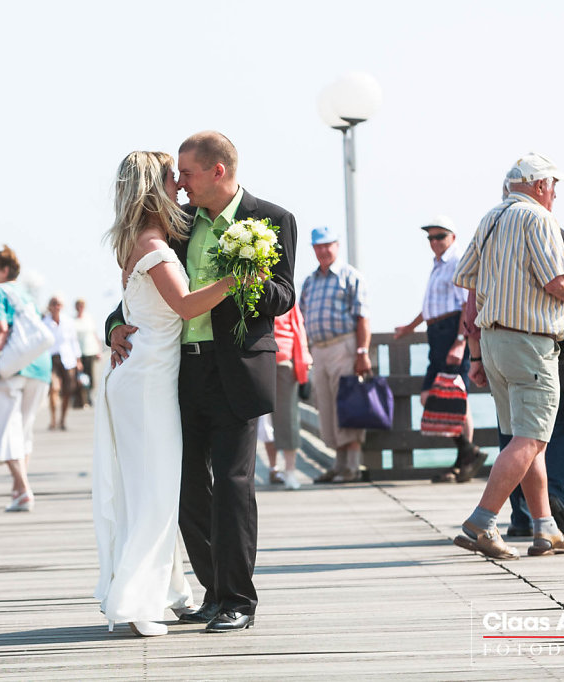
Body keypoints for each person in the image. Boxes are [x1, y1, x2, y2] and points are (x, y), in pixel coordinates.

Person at [108, 132, 298, 632]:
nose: (181, 183)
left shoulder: (272, 219)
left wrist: (248, 276)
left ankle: (239, 600)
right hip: (179, 372)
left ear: (218, 171)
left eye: (187, 173)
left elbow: (284, 294)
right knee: (189, 487)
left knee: (234, 485)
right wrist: (114, 328)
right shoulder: (179, 223)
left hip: (238, 368)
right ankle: (213, 592)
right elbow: (140, 284)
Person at [93, 150, 236, 637]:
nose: (179, 185)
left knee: (149, 491)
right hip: (148, 383)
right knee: (154, 492)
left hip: (145, 378)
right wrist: (241, 275)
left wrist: (116, 325)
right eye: (172, 178)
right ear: (152, 187)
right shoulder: (153, 244)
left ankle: (164, 591)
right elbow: (185, 303)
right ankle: (136, 601)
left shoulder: (142, 239)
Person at [451, 152, 564, 560]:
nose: (555, 195)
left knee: (526, 438)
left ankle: (545, 528)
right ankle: (481, 521)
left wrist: (476, 356)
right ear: (538, 185)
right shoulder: (539, 219)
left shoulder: (491, 218)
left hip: (495, 343)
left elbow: (469, 293)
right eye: (553, 187)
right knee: (531, 437)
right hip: (531, 342)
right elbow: (557, 281)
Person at [394, 215, 485, 483]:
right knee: (429, 395)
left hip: (452, 333)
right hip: (437, 332)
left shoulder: (456, 262)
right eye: (431, 238)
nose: (434, 242)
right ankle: (467, 453)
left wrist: (459, 341)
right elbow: (429, 306)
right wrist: (409, 328)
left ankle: (463, 461)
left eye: (440, 236)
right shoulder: (438, 265)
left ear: (453, 238)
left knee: (455, 395)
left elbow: (464, 305)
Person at [0, 245, 52, 513]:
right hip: (40, 366)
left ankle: (23, 488)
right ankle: (18, 490)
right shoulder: (26, 295)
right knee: (24, 429)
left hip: (11, 367)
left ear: (5, 270)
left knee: (5, 427)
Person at [299, 226, 370, 484]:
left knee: (347, 404)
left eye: (327, 245)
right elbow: (301, 316)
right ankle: (338, 465)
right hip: (319, 348)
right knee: (326, 406)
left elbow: (362, 317)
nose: (323, 251)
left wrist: (362, 352)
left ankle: (351, 466)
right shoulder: (309, 281)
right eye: (318, 246)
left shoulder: (350, 276)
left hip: (344, 345)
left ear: (337, 246)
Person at [262, 304, 311, 490]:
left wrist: (303, 360)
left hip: (283, 360)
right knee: (260, 423)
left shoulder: (287, 294)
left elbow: (298, 328)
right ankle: (273, 467)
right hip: (254, 360)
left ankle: (290, 470)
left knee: (287, 419)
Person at [43, 295, 81, 430]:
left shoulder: (68, 321)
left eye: (58, 304)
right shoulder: (44, 322)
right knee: (54, 388)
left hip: (67, 358)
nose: (56, 307)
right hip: (50, 358)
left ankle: (62, 419)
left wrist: (78, 359)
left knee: (67, 391)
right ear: (49, 306)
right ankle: (53, 419)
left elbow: (73, 341)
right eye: (53, 304)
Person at [73, 298, 102, 407]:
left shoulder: (89, 318)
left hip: (90, 350)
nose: (80, 308)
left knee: (90, 376)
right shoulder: (73, 321)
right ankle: (81, 399)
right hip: (79, 353)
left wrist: (99, 350)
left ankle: (90, 398)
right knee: (80, 376)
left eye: (82, 306)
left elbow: (95, 335)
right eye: (78, 306)